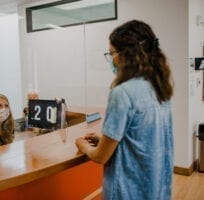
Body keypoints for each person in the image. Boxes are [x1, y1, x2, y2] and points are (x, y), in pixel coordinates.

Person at [75, 20, 174, 200]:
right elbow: (144, 139)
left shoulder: (123, 92)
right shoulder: (160, 88)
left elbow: (100, 156)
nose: (111, 59)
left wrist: (83, 146)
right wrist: (103, 139)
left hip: (128, 192)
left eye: (111, 53)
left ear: (125, 55)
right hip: (157, 189)